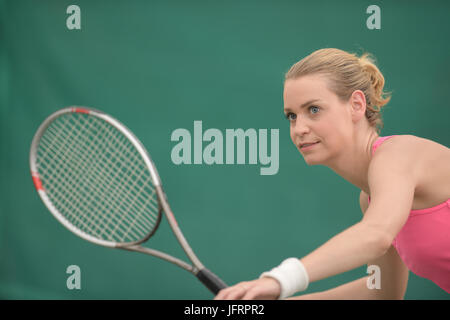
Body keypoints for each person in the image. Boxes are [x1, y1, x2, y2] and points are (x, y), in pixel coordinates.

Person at [214, 48, 450, 300]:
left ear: (356, 105)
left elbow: (376, 235)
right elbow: (382, 292)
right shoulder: (371, 200)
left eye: (313, 109)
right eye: (292, 116)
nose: (299, 128)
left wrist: (282, 279)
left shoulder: (400, 154)